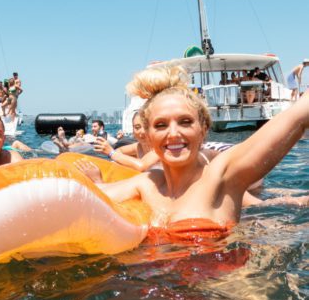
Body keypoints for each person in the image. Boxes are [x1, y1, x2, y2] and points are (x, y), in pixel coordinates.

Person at [94, 65, 309, 232]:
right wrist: (97, 180)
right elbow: (89, 194)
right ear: (148, 136)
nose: (173, 133)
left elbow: (298, 116)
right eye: (161, 125)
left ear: (204, 129)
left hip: (226, 287)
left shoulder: (222, 176)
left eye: (185, 122)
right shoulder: (147, 184)